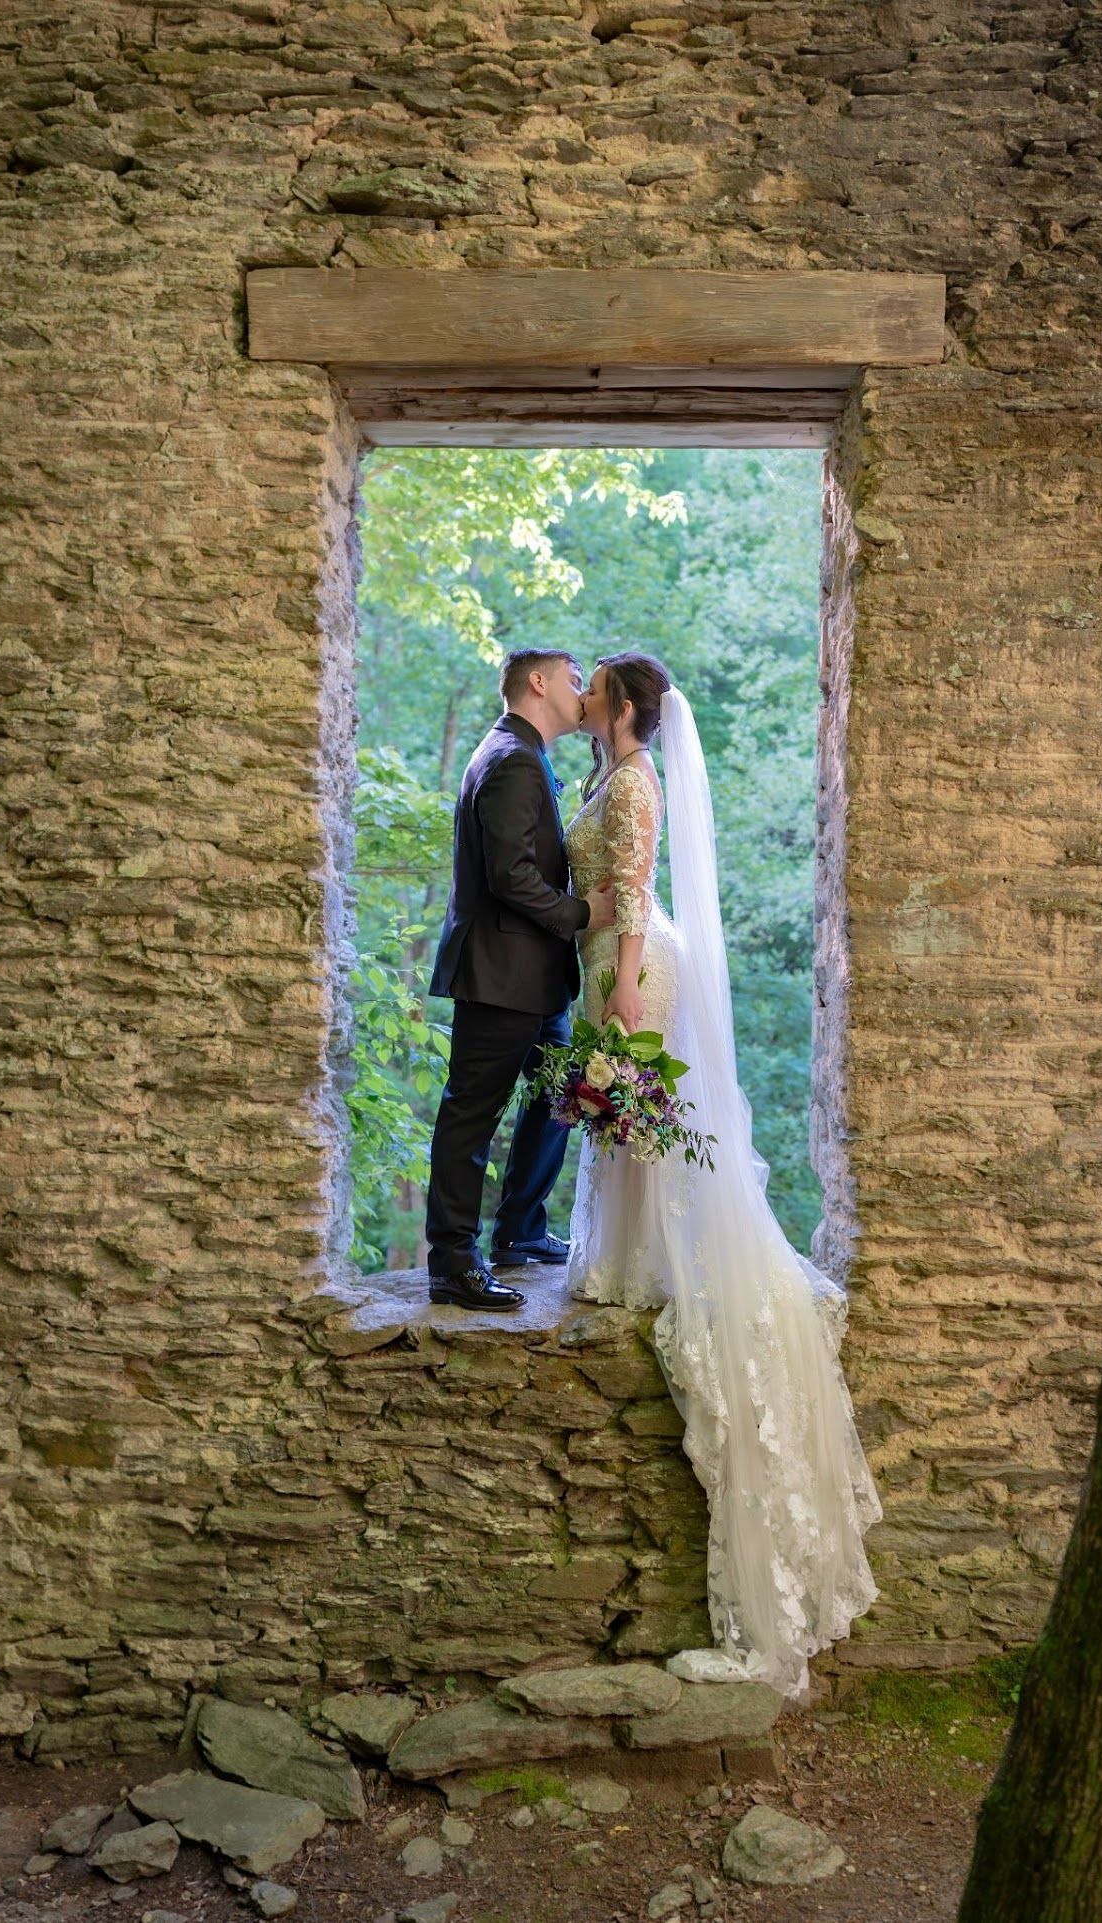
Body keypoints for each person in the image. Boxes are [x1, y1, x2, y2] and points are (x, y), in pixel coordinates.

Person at [563, 651, 883, 1700]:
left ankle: (654, 1260)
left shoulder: (638, 781)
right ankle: (626, 1258)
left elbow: (631, 884)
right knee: (623, 1126)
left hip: (636, 962)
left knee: (638, 1117)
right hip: (611, 955)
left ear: (618, 705)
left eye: (591, 687)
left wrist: (616, 989)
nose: (580, 699)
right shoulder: (603, 775)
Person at [425, 647, 615, 1311]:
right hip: (499, 975)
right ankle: (452, 1262)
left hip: (535, 978)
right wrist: (585, 913)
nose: (579, 691)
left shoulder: (526, 756)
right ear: (538, 683)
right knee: (471, 1117)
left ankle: (521, 1231)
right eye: (571, 679)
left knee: (560, 1096)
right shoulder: (509, 759)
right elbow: (510, 877)